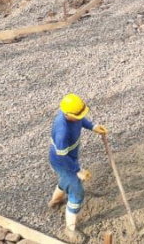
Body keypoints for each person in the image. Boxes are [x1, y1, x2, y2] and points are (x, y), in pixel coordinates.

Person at [48, 94, 108, 240]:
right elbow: (63, 157)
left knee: (65, 181)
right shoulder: (62, 131)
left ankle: (54, 202)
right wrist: (78, 171)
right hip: (63, 161)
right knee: (76, 191)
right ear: (68, 114)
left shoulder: (74, 116)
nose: (81, 117)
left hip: (71, 157)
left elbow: (81, 121)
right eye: (78, 115)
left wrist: (93, 127)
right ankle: (70, 229)